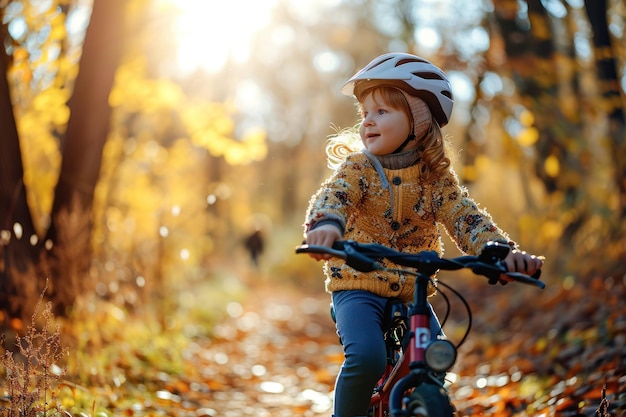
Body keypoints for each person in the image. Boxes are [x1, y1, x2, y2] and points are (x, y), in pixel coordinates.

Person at [302, 52, 544, 417]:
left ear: (417, 121)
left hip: (411, 287)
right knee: (366, 358)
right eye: (365, 113)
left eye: (382, 112)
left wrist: (500, 251)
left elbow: (466, 217)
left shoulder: (435, 179)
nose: (368, 121)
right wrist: (326, 226)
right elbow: (333, 197)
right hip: (357, 285)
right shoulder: (359, 168)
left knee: (436, 359)